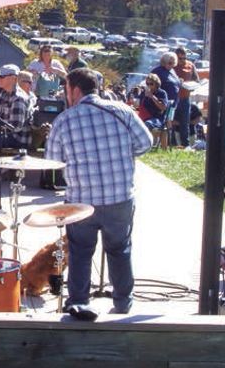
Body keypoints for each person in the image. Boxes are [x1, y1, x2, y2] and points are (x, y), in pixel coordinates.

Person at [45, 68, 152, 314]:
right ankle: (123, 303)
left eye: (66, 89)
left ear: (75, 89)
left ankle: (79, 303)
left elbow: (52, 161)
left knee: (81, 252)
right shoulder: (123, 111)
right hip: (120, 197)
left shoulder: (64, 120)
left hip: (81, 202)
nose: (65, 94)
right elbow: (146, 143)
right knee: (120, 249)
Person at [150, 53, 180, 141]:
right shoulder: (157, 71)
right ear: (164, 62)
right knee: (161, 124)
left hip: (172, 104)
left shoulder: (172, 71)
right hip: (162, 103)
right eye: (169, 63)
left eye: (173, 63)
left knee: (169, 122)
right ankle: (156, 143)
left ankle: (166, 144)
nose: (172, 65)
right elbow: (152, 86)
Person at [172, 47, 198, 145]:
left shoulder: (191, 65)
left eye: (184, 58)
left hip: (185, 98)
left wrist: (191, 85)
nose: (183, 61)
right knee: (172, 122)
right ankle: (172, 143)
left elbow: (196, 80)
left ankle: (185, 144)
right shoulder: (172, 66)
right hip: (174, 98)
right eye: (180, 58)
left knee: (185, 122)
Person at [136, 74, 169, 146]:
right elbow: (139, 106)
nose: (149, 86)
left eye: (151, 84)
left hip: (157, 118)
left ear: (156, 83)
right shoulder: (144, 93)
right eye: (147, 84)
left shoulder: (161, 93)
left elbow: (163, 107)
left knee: (147, 124)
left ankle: (146, 145)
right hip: (144, 117)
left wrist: (152, 97)